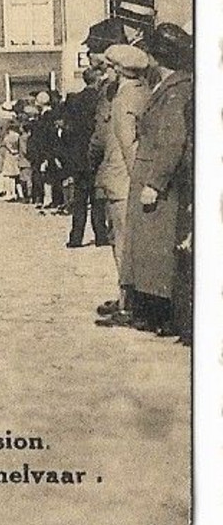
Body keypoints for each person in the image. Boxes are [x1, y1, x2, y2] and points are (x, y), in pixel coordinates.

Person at [125, 24, 193, 339]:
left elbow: (173, 140)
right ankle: (154, 313)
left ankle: (164, 316)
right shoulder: (167, 86)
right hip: (150, 174)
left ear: (157, 57)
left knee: (158, 250)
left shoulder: (176, 89)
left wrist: (156, 182)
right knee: (150, 248)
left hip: (158, 180)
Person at [94, 44, 153, 328]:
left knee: (122, 243)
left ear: (118, 70)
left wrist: (136, 180)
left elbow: (128, 145)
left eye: (109, 68)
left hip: (123, 179)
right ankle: (129, 299)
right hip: (132, 178)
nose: (106, 73)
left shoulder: (122, 99)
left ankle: (129, 304)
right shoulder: (145, 92)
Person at [61, 67, 110, 247]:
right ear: (97, 80)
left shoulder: (74, 100)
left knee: (79, 199)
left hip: (78, 157)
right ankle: (101, 235)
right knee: (98, 198)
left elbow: (66, 131)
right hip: (96, 155)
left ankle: (75, 238)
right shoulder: (100, 100)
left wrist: (71, 153)